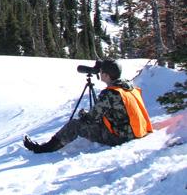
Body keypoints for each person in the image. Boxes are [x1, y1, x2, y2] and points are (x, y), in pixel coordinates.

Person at [23, 60, 153, 153]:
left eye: (101, 72)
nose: (99, 74)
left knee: (75, 125)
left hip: (121, 137)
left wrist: (83, 115)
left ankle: (45, 148)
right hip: (137, 130)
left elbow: (92, 118)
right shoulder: (129, 88)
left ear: (107, 75)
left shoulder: (110, 93)